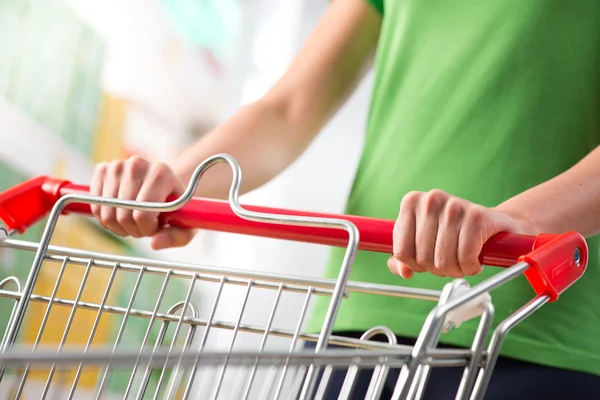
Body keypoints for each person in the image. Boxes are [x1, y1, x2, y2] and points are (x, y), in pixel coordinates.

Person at [89, 0, 600, 398]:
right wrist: (174, 185)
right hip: (366, 322)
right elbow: (289, 109)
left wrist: (514, 220)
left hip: (541, 330)